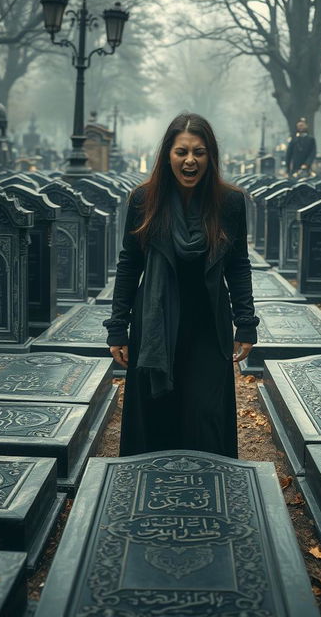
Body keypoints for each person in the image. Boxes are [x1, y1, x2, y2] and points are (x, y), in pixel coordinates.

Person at [103, 113, 259, 458]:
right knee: (158, 417)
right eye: (182, 152)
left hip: (207, 323)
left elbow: (237, 264)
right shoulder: (144, 200)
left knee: (205, 416)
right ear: (168, 156)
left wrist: (246, 322)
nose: (190, 160)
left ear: (210, 157)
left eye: (199, 152)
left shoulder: (230, 202)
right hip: (155, 322)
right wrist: (118, 327)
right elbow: (130, 264)